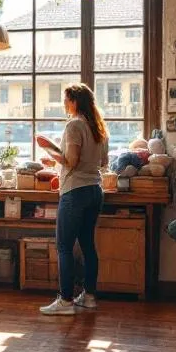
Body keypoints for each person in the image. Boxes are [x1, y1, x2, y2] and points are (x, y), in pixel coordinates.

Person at [35, 82, 109, 315]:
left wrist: (50, 151)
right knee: (88, 245)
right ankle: (88, 296)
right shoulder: (98, 127)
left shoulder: (74, 125)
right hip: (95, 191)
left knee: (64, 247)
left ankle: (65, 301)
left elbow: (72, 161)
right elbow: (103, 163)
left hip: (74, 191)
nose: (64, 104)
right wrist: (59, 156)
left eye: (66, 100)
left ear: (74, 101)